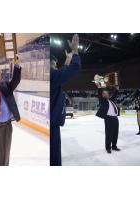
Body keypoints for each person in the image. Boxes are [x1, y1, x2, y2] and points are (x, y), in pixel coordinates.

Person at [50, 34, 81, 166]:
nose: (56, 67)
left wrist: (67, 60)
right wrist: (75, 52)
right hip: (52, 128)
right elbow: (74, 69)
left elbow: (61, 72)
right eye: (54, 64)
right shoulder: (52, 76)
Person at [95, 83, 121, 154]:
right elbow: (100, 95)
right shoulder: (103, 101)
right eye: (105, 93)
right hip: (108, 119)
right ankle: (108, 147)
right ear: (103, 95)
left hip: (115, 118)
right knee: (109, 134)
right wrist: (99, 88)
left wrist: (117, 89)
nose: (107, 94)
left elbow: (115, 95)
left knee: (115, 133)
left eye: (107, 93)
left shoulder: (111, 100)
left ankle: (114, 146)